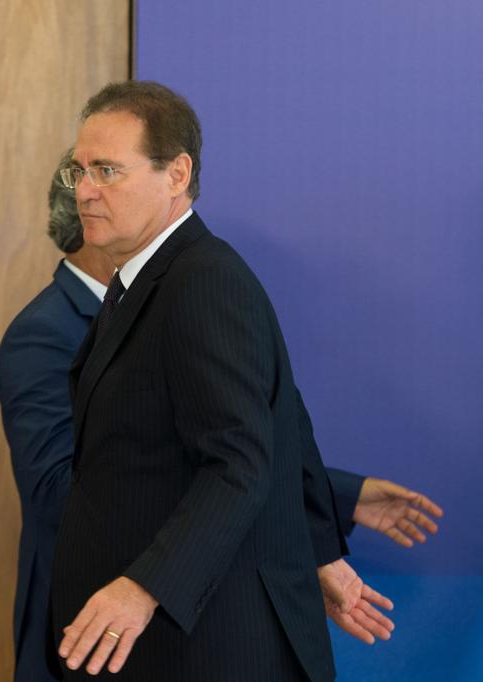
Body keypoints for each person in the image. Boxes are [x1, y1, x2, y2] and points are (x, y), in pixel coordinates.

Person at [0, 149, 443, 682]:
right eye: (94, 183)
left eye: (110, 176)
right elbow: (59, 489)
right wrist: (216, 510)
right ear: (84, 221)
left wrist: (332, 498)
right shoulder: (41, 334)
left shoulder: (190, 288)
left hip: (183, 631)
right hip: (93, 632)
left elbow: (244, 433)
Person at [48, 80, 392, 681]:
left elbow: (239, 462)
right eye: (79, 171)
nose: (85, 190)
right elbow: (284, 424)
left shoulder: (203, 281)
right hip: (157, 644)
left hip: (202, 645)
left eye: (107, 170)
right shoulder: (146, 280)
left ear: (176, 174)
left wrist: (142, 588)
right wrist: (317, 550)